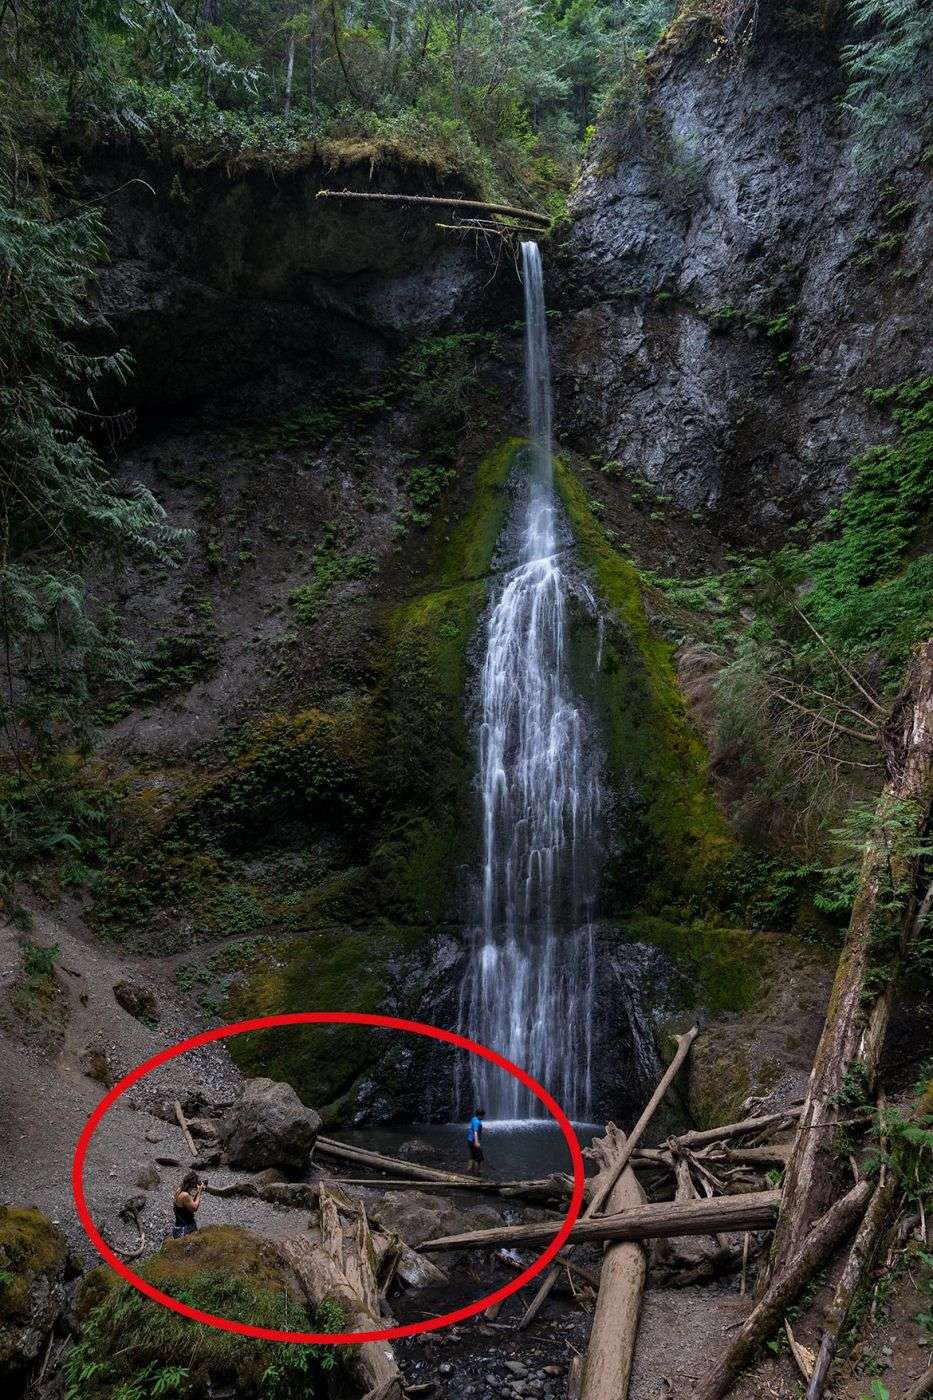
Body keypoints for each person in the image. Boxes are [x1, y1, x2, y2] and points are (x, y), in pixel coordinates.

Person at [172, 1171, 204, 1238]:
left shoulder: (179, 1190)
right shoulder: (185, 1195)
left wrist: (196, 1194)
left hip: (178, 1226)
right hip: (184, 1229)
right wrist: (199, 1192)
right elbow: (194, 1208)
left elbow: (188, 1204)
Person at [467, 1107, 486, 1175]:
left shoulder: (474, 1119)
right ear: (480, 1115)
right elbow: (475, 1131)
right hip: (473, 1141)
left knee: (472, 1156)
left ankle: (469, 1170)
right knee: (479, 1158)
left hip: (469, 1140)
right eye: (483, 1115)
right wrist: (476, 1142)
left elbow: (474, 1127)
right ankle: (477, 1172)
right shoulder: (477, 1122)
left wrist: (486, 1129)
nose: (484, 1117)